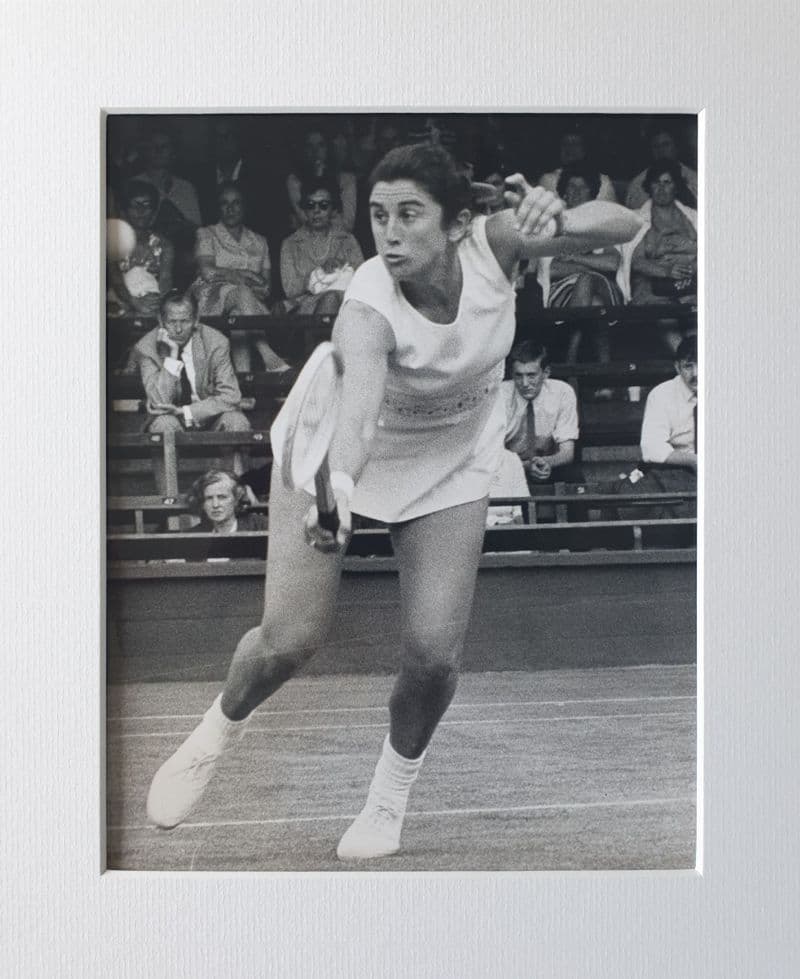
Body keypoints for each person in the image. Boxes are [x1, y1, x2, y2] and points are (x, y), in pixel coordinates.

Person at [146, 143, 642, 860]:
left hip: (452, 455)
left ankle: (388, 800)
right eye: (379, 215)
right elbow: (359, 413)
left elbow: (623, 223)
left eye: (410, 213)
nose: (390, 232)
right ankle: (215, 732)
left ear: (456, 222)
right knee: (290, 640)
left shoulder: (495, 242)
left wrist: (557, 214)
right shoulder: (366, 308)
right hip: (341, 442)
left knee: (435, 655)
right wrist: (339, 487)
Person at [134, 292, 250, 492]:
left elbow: (231, 396)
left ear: (196, 320)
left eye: (185, 321)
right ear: (160, 320)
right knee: (163, 424)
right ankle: (170, 507)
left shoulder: (216, 341)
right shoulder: (146, 347)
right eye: (171, 322)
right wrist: (172, 354)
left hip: (210, 418)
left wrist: (186, 412)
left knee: (236, 421)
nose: (178, 329)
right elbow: (159, 401)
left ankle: (238, 498)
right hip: (173, 421)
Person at [191, 182, 289, 373]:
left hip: (248, 303)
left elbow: (266, 287)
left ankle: (244, 381)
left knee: (239, 311)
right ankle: (267, 354)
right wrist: (243, 275)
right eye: (224, 203)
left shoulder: (260, 241)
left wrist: (250, 284)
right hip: (210, 298)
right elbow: (208, 272)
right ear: (218, 207)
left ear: (244, 206)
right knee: (242, 291)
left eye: (236, 203)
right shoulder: (206, 234)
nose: (230, 209)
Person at [536, 163, 626, 364]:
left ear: (592, 192)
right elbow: (553, 269)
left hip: (604, 286)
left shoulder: (604, 224)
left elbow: (612, 263)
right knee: (595, 303)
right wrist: (592, 264)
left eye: (581, 187)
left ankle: (571, 358)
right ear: (563, 192)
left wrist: (575, 258)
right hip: (562, 292)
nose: (574, 192)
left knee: (587, 281)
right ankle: (604, 371)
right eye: (570, 187)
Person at [615, 335, 697, 520]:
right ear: (677, 367)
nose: (696, 373)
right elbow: (652, 448)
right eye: (688, 366)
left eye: (702, 364)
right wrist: (694, 461)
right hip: (674, 469)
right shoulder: (662, 394)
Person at [501, 340, 583, 488]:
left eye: (531, 375)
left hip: (549, 462)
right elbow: (493, 454)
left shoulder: (562, 392)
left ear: (546, 373)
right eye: (518, 375)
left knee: (575, 479)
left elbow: (567, 453)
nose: (525, 383)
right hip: (510, 465)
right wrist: (524, 466)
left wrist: (547, 463)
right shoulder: (500, 396)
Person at [279, 178, 364, 316]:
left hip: (346, 304)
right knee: (330, 299)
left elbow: (362, 279)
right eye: (310, 205)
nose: (316, 211)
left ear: (333, 209)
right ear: (304, 210)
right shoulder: (291, 244)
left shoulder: (347, 240)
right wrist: (319, 272)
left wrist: (342, 266)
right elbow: (291, 289)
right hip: (306, 308)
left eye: (323, 205)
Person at [107, 179, 175, 318]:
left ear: (154, 212)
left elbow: (165, 281)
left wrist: (156, 303)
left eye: (146, 205)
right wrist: (134, 302)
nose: (141, 211)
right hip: (120, 300)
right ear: (124, 210)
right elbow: (116, 280)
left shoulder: (164, 245)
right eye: (135, 205)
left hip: (151, 302)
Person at [286, 128, 357, 232]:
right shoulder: (294, 180)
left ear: (328, 148)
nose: (315, 151)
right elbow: (304, 220)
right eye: (310, 146)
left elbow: (348, 224)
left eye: (321, 145)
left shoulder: (345, 179)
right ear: (303, 150)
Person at [625, 127, 698, 210]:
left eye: (666, 145)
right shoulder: (637, 185)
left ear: (676, 147)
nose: (661, 150)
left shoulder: (695, 180)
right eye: (656, 146)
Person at [539, 130, 618, 202]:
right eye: (565, 144)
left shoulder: (603, 181)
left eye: (575, 144)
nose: (569, 148)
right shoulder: (547, 180)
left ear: (585, 149)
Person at [187, 469, 269, 534]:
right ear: (202, 503)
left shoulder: (262, 526)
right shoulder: (192, 535)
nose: (215, 505)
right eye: (209, 498)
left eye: (222, 497)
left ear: (236, 499)